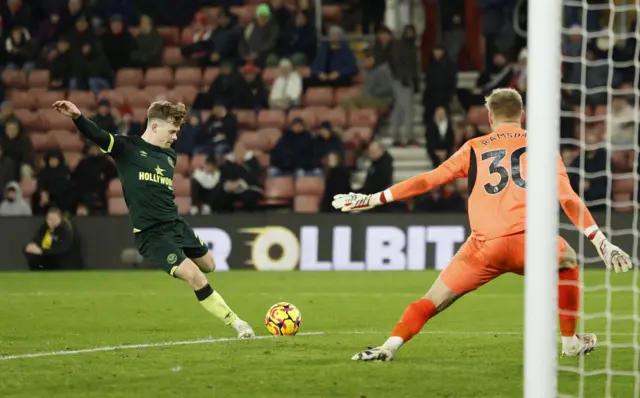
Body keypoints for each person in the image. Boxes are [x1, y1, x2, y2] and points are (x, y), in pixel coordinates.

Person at [332, 88, 633, 361]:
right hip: (530, 242)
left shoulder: (474, 147)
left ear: (490, 117)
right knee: (567, 259)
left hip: (483, 247)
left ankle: (389, 345)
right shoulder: (542, 146)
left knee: (433, 299)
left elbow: (428, 180)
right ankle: (569, 341)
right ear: (522, 115)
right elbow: (567, 198)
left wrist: (373, 198)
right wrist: (600, 241)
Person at [52, 99, 255, 338]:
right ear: (155, 126)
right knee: (194, 276)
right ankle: (237, 324)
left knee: (209, 264)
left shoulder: (169, 156)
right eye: (172, 131)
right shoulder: (126, 148)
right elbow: (97, 135)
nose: (175, 137)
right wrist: (78, 116)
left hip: (176, 225)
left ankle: (180, 260)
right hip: (152, 234)